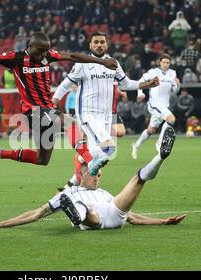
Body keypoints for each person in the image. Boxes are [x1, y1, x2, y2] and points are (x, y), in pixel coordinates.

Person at [0, 30, 121, 176]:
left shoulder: (47, 56)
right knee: (71, 124)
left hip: (47, 111)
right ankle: (90, 162)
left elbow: (73, 55)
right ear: (30, 47)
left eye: (46, 51)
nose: (43, 54)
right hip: (33, 112)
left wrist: (102, 62)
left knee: (41, 160)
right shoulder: (17, 58)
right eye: (40, 51)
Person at [0, 125, 185, 230]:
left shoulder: (104, 192)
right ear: (81, 173)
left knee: (138, 179)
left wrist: (163, 221)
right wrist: (2, 223)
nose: (98, 176)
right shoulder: (69, 192)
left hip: (115, 214)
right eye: (94, 172)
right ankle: (79, 215)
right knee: (86, 210)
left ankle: (160, 156)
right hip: (93, 220)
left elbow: (132, 217)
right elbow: (35, 214)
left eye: (99, 173)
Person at [51, 31, 159, 187]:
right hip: (88, 113)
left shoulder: (113, 63)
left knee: (98, 159)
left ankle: (72, 186)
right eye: (96, 42)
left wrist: (145, 84)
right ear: (90, 45)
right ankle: (81, 158)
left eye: (102, 42)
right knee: (108, 148)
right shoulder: (82, 64)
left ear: (107, 45)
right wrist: (54, 101)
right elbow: (65, 85)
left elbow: (125, 84)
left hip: (106, 115)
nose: (99, 45)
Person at [132, 54, 180, 160]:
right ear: (159, 62)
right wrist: (140, 93)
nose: (166, 64)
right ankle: (159, 143)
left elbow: (175, 91)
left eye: (168, 63)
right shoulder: (153, 72)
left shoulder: (173, 73)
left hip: (164, 105)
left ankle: (136, 145)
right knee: (171, 119)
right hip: (154, 104)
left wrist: (177, 85)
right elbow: (140, 81)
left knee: (151, 130)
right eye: (164, 62)